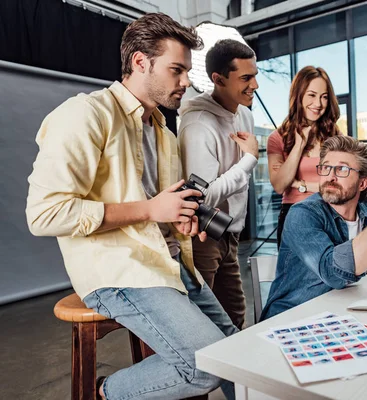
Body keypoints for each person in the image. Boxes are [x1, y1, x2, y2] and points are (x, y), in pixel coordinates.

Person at [26, 13, 236, 400]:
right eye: (177, 70)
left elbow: (160, 211)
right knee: (206, 365)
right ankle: (105, 393)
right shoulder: (85, 115)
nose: (186, 82)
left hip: (169, 263)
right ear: (140, 62)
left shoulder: (163, 132)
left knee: (239, 357)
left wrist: (178, 220)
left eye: (187, 71)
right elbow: (44, 214)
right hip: (119, 272)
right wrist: (151, 210)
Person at [260, 135, 367, 320]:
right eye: (326, 167)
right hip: (293, 320)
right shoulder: (301, 214)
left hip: (348, 316)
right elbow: (333, 273)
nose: (331, 176)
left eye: (342, 169)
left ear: (362, 183)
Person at [178, 39, 259, 330]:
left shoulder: (245, 115)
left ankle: (232, 376)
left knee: (236, 317)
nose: (255, 85)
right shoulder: (199, 123)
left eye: (255, 75)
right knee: (204, 322)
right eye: (246, 78)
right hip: (204, 235)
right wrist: (249, 159)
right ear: (218, 79)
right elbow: (202, 196)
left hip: (231, 234)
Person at [267, 66, 340, 248]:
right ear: (298, 95)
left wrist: (301, 185)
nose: (318, 103)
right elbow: (279, 185)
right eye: (312, 95)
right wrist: (299, 145)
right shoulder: (277, 138)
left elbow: (340, 186)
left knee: (334, 274)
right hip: (294, 213)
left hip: (332, 213)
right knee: (294, 275)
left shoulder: (335, 137)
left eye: (324, 97)